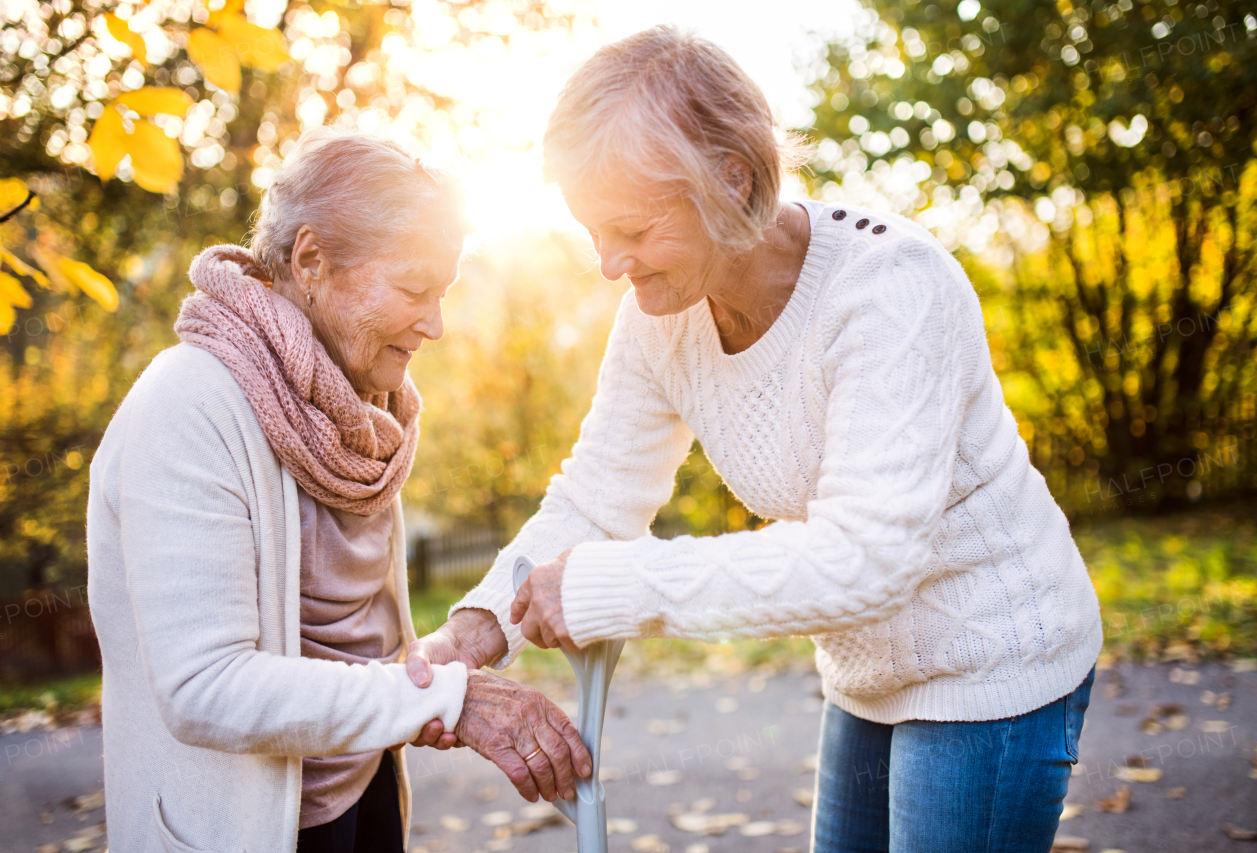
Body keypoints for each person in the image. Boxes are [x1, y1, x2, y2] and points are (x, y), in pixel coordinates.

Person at [406, 27, 1101, 853]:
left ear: (731, 178)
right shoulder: (659, 317)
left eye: (629, 227)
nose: (607, 263)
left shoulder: (891, 291)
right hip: (867, 677)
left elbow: (867, 560)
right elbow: (598, 495)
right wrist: (476, 627)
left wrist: (615, 585)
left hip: (991, 665)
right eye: (592, 230)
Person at [87, 128, 589, 853]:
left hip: (364, 791)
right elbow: (205, 686)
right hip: (243, 830)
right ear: (311, 260)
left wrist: (451, 657)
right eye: (415, 289)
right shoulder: (188, 405)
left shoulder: (359, 407)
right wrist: (446, 699)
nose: (436, 324)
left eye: (442, 293)